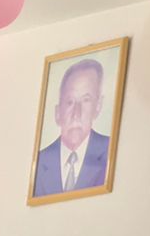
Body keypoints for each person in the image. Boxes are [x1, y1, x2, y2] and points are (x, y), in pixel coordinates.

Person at [33, 58, 111, 198]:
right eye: (70, 102)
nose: (77, 113)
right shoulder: (39, 162)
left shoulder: (111, 151)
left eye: (86, 100)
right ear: (58, 112)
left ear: (98, 106)